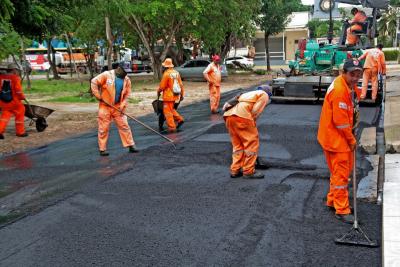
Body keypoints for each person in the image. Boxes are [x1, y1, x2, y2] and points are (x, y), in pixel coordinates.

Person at [317, 59, 363, 224]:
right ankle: (342, 209)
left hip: (334, 137)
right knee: (342, 175)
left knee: (337, 173)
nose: (355, 78)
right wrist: (351, 140)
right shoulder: (339, 90)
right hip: (337, 140)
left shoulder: (347, 86)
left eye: (358, 75)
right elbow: (341, 122)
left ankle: (332, 200)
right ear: (343, 72)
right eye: (352, 74)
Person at [91, 62, 138, 156]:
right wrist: (98, 96)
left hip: (117, 107)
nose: (126, 74)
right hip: (105, 106)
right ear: (119, 69)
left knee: (124, 125)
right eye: (125, 71)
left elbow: (127, 94)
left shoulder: (127, 80)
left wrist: (123, 104)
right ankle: (102, 149)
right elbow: (94, 82)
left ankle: (130, 145)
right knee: (103, 128)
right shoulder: (106, 75)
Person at [223, 87, 271, 179]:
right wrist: (252, 124)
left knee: (238, 145)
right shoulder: (264, 94)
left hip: (229, 116)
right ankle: (248, 171)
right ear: (268, 93)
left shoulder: (247, 94)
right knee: (251, 144)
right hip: (242, 117)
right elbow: (255, 112)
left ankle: (235, 170)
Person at [0, 63, 28, 139]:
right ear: (14, 70)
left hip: (3, 102)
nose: (18, 72)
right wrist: (22, 97)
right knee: (21, 110)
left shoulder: (1, 77)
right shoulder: (15, 78)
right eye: (18, 70)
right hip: (14, 102)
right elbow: (18, 91)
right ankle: (20, 132)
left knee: (5, 116)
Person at [157, 58, 184, 133]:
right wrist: (182, 94)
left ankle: (172, 127)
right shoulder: (176, 73)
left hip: (168, 96)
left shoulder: (166, 74)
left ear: (166, 66)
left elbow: (162, 86)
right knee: (171, 109)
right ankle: (180, 119)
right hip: (175, 95)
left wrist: (158, 91)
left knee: (167, 112)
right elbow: (181, 84)